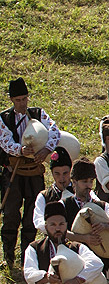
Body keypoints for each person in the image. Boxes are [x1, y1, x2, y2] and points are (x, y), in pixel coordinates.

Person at [1, 77, 60, 269]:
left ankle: (28, 256)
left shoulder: (38, 114)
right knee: (10, 214)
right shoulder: (4, 119)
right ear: (11, 99)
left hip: (34, 173)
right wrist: (20, 150)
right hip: (13, 172)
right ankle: (8, 256)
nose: (22, 103)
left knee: (31, 215)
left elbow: (54, 131)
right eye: (18, 100)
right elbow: (5, 141)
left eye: (24, 99)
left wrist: (46, 150)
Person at [32, 146, 74, 232]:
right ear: (52, 173)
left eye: (65, 173)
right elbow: (38, 221)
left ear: (70, 171)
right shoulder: (44, 196)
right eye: (57, 174)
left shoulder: (79, 191)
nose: (61, 178)